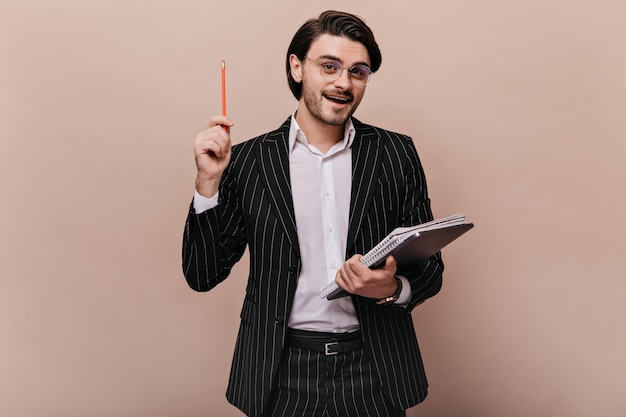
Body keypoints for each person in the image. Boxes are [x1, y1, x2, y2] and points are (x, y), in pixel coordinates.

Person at [182, 10, 444, 417]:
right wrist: (207, 184)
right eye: (329, 66)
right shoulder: (249, 161)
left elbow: (430, 271)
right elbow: (202, 274)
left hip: (374, 370)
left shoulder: (396, 153)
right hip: (279, 372)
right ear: (296, 67)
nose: (344, 82)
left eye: (358, 71)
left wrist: (391, 289)